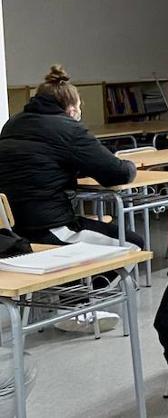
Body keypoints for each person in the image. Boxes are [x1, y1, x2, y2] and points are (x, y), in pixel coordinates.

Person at [0, 65, 141, 333]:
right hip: (50, 228)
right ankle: (74, 305)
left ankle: (61, 296)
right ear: (72, 108)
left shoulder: (12, 123)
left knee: (98, 231)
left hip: (11, 233)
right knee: (133, 245)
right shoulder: (68, 128)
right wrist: (131, 166)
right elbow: (116, 173)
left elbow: (41, 161)